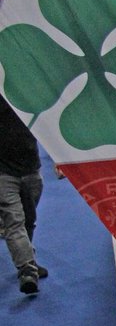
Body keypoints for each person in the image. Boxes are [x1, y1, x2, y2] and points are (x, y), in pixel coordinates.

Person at [0, 96, 43, 294]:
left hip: (31, 168)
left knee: (28, 220)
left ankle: (29, 261)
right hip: (4, 173)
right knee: (14, 221)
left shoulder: (25, 91)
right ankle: (27, 270)